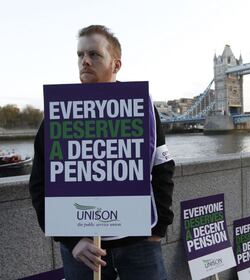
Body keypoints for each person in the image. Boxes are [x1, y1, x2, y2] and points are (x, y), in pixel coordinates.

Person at [29, 25, 175, 280]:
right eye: (80, 55)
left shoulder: (142, 109)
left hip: (139, 243)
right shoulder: (57, 115)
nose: (84, 61)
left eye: (94, 54)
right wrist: (72, 240)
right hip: (84, 248)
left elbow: (162, 166)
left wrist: (159, 227)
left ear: (116, 64)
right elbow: (40, 183)